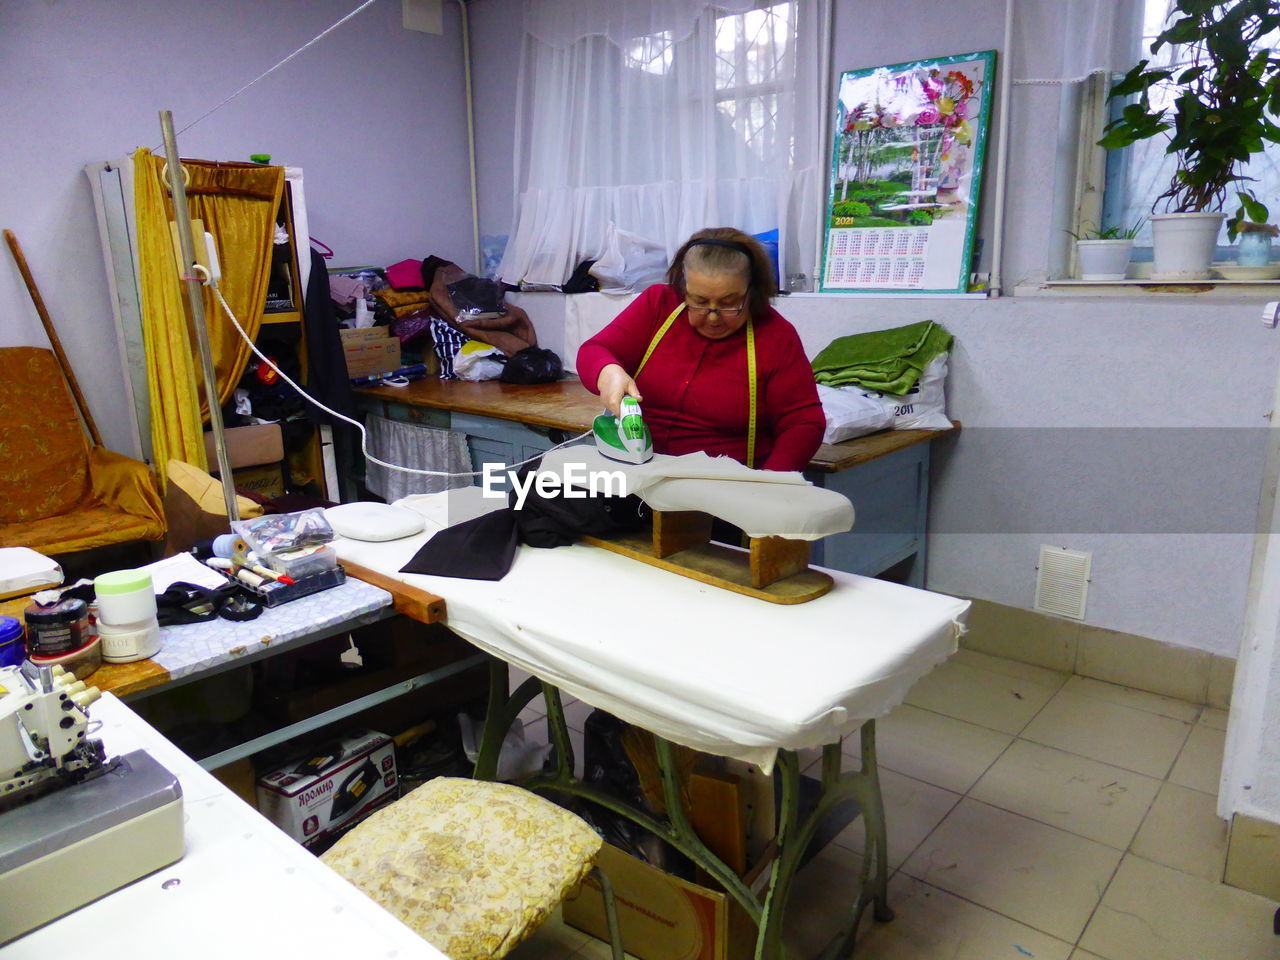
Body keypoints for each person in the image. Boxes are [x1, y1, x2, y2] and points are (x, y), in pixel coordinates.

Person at [577, 227, 825, 472]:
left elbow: (804, 422)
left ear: (752, 291)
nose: (713, 317)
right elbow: (594, 350)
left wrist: (768, 487)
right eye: (699, 302)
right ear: (683, 287)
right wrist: (608, 372)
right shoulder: (659, 305)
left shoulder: (775, 336)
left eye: (729, 304)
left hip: (720, 486)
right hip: (639, 470)